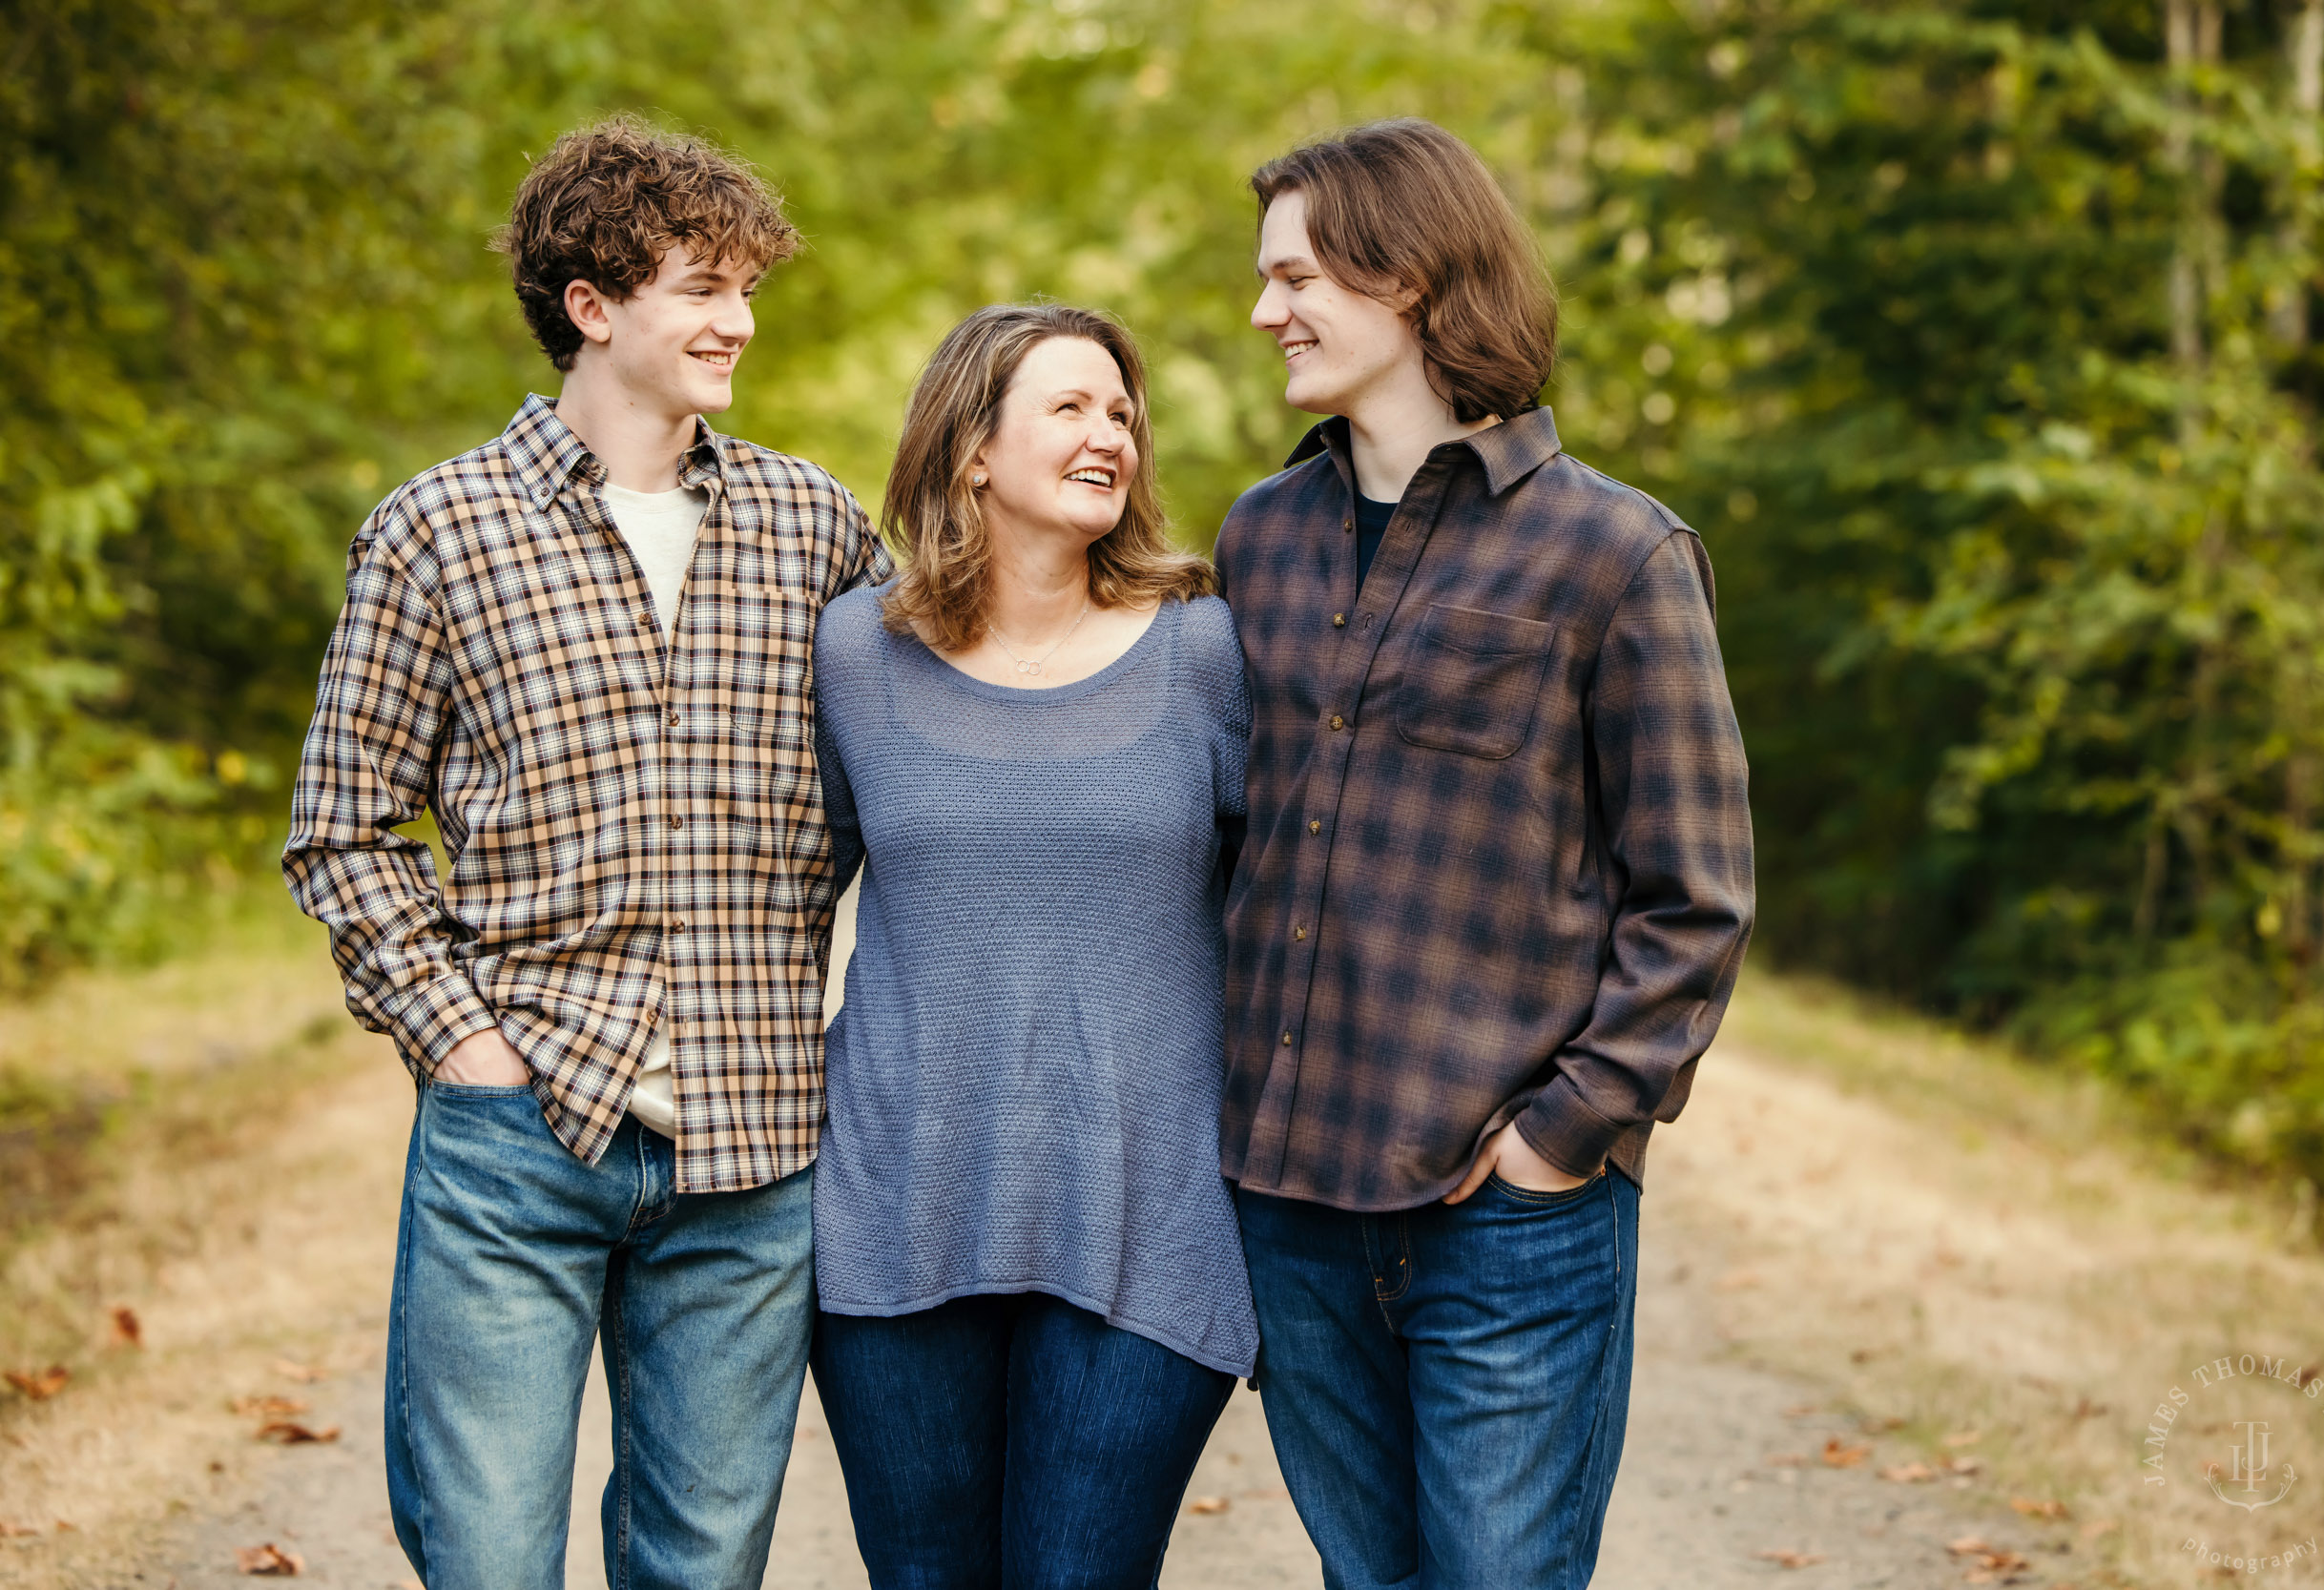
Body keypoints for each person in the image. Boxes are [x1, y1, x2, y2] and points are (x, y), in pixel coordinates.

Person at [281, 118, 887, 1589]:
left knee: (702, 1564)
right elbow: (344, 828)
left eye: (748, 288)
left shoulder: (814, 528)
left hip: (751, 1147)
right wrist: (464, 1045)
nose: (737, 321)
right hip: (520, 1129)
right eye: (701, 286)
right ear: (592, 305)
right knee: (486, 1557)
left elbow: (920, 768)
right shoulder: (437, 532)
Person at [1216, 118, 1757, 1588]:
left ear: (1407, 276)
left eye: (1296, 276)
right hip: (1294, 1200)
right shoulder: (1259, 539)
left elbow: (1695, 902)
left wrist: (1558, 1141)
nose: (1267, 311)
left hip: (1506, 1221)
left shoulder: (1616, 555)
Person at [806, 302, 1255, 1587]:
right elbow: (786, 885)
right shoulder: (855, 653)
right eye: (1070, 406)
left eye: (1121, 411)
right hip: (898, 1212)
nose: (1110, 431)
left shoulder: (1205, 653)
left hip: (1148, 1217)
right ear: (970, 452)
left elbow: (1285, 901)